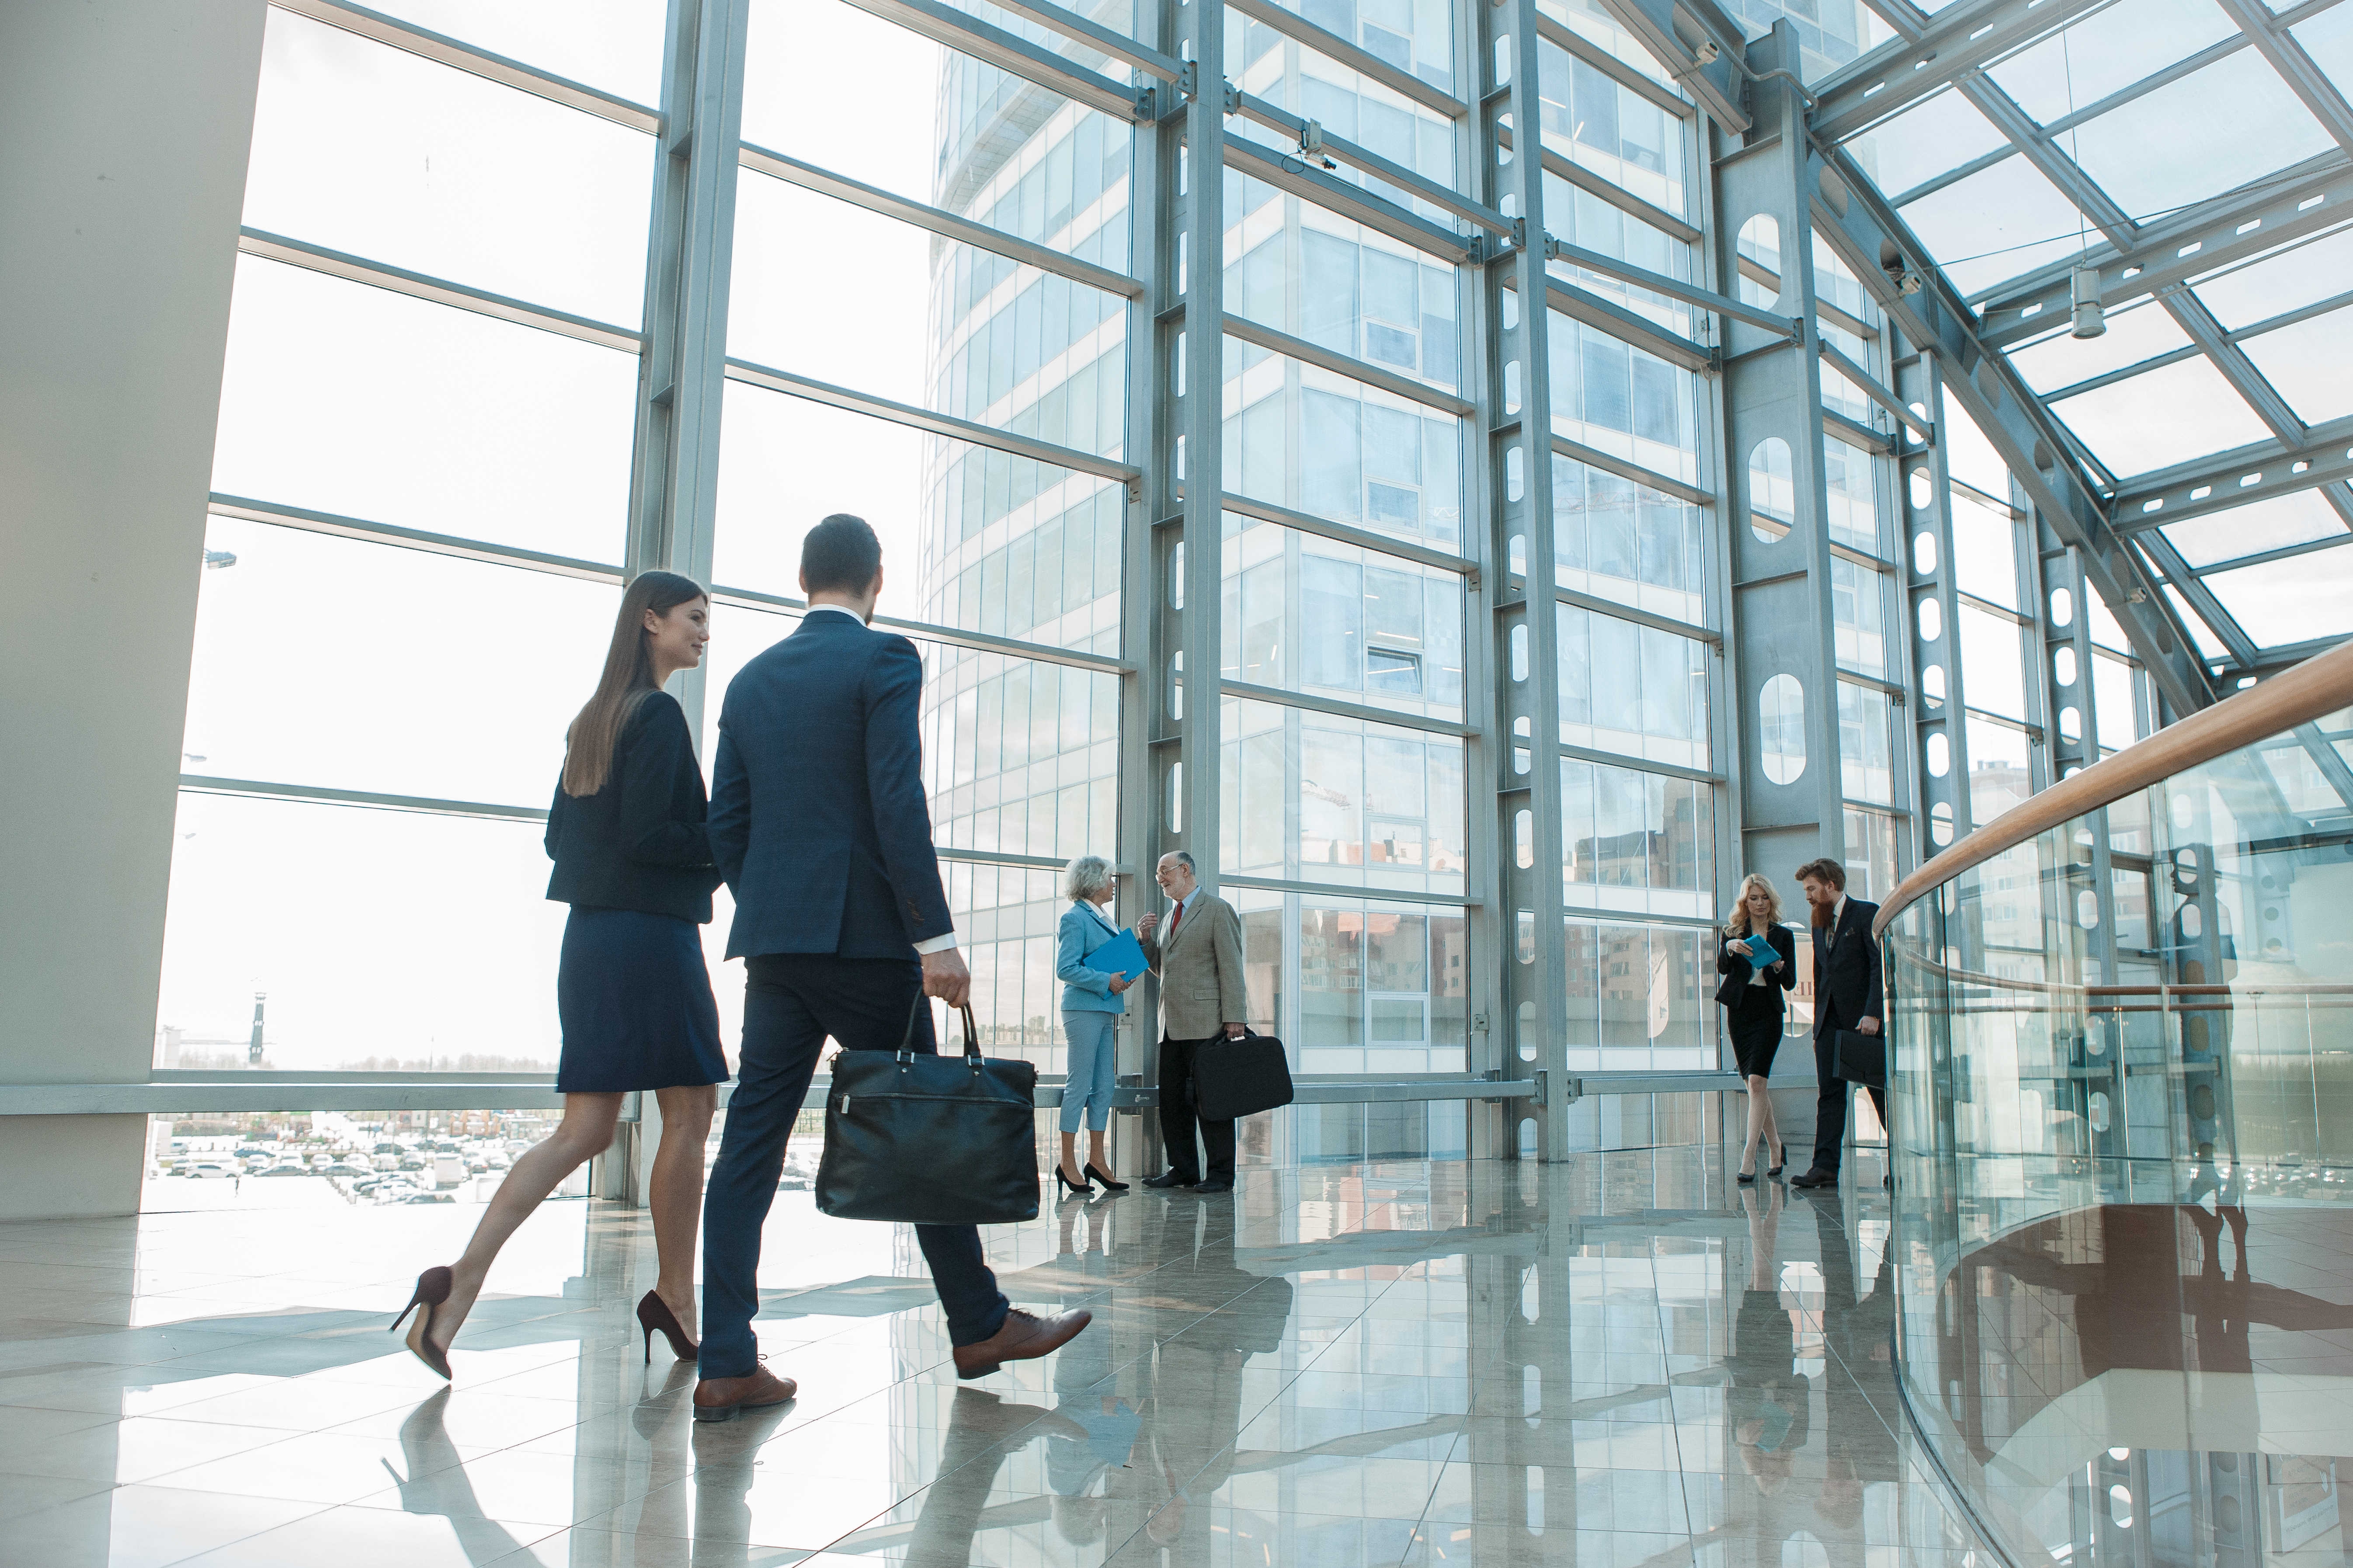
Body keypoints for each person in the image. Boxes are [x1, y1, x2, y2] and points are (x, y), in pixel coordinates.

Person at [691, 513, 1091, 1422]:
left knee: (749, 1147)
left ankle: (725, 1359)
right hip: (872, 945)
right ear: (876, 579)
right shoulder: (884, 661)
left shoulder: (750, 682)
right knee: (921, 1126)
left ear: (802, 579)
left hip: (778, 947)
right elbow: (895, 798)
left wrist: (780, 904)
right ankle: (980, 1322)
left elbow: (727, 826)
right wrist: (932, 937)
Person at [393, 571, 725, 1380]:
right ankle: (678, 1299)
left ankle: (456, 1285)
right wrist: (729, 842)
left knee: (584, 1129)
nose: (704, 631)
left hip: (591, 942)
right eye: (693, 617)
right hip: (650, 940)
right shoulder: (658, 715)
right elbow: (654, 834)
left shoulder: (591, 722)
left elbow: (557, 842)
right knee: (688, 1114)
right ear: (649, 620)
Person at [1134, 851, 1249, 1193]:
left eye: (1163, 872)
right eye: (1158, 875)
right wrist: (1145, 942)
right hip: (1170, 1024)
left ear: (1185, 870)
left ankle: (1219, 1176)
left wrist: (1235, 1017)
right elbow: (1164, 971)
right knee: (1172, 1102)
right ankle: (1182, 1169)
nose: (1160, 879)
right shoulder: (1171, 917)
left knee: (1211, 1100)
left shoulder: (1216, 909)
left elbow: (1231, 966)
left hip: (1207, 1023)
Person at [1788, 857, 1884, 1191]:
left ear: (1830, 886)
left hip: (1862, 1022)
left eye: (1811, 889)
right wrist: (1818, 1024)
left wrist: (1873, 1013)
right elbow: (1820, 974)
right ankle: (1824, 1167)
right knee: (1829, 1095)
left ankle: (1902, 1162)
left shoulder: (1866, 913)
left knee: (1879, 1093)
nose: (1808, 897)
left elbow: (1878, 967)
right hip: (1828, 1022)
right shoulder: (1817, 922)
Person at [1053, 854, 1134, 1196]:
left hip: (1105, 1009)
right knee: (1080, 1083)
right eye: (1110, 878)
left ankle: (1097, 1161)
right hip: (1083, 1010)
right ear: (1094, 881)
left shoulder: (1102, 917)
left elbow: (1109, 960)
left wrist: (1134, 948)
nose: (1114, 883)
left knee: (1104, 1085)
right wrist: (1106, 980)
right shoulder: (1074, 919)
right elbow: (1065, 969)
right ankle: (1067, 1162)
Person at [1717, 872, 1797, 1184]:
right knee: (1755, 1087)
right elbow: (1723, 969)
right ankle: (1776, 1148)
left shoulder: (1783, 936)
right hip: (1740, 1011)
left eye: (1764, 898)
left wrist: (1778, 966)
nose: (1760, 903)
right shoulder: (1733, 933)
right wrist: (1730, 948)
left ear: (1771, 900)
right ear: (1745, 902)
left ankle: (1749, 1156)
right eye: (1754, 898)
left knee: (1757, 1082)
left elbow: (1789, 982)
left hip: (1767, 1011)